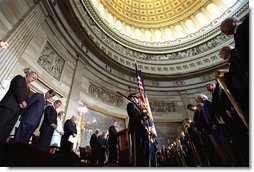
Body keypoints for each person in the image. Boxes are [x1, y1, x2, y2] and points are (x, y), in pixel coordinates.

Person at [0, 71, 38, 142]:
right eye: (33, 78)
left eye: (35, 79)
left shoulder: (28, 89)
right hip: (8, 107)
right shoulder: (19, 78)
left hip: (16, 112)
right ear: (28, 75)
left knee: (6, 131)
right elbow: (17, 88)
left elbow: (26, 100)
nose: (33, 80)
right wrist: (21, 101)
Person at [127, 93, 149, 167]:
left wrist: (146, 116)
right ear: (132, 98)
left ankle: (143, 163)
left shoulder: (138, 107)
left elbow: (142, 118)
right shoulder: (131, 105)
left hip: (141, 128)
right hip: (135, 127)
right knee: (138, 147)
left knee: (143, 147)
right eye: (135, 98)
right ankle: (138, 164)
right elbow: (133, 114)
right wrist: (142, 114)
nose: (137, 99)